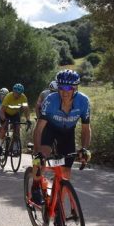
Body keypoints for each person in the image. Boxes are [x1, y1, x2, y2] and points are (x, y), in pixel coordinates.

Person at [30, 69, 92, 208]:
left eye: (68, 88)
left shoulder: (83, 101)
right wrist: (37, 151)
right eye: (61, 87)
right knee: (41, 156)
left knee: (66, 172)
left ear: (75, 88)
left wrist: (84, 149)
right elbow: (39, 128)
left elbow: (85, 129)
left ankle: (58, 205)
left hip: (67, 133)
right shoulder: (50, 100)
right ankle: (35, 186)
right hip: (50, 129)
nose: (64, 92)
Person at [0, 83, 30, 156]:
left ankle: (15, 148)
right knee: (4, 127)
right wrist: (3, 119)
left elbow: (26, 110)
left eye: (19, 94)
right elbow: (2, 110)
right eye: (16, 93)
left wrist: (28, 119)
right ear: (13, 91)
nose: (17, 95)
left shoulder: (23, 98)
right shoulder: (8, 96)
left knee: (17, 129)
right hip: (6, 113)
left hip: (15, 114)